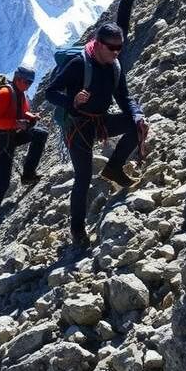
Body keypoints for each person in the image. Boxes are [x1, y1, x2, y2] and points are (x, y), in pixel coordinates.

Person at [45, 23, 149, 247]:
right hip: (78, 126)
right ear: (98, 44)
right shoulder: (79, 64)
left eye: (119, 47)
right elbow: (50, 93)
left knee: (134, 125)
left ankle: (113, 168)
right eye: (112, 47)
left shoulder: (115, 66)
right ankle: (78, 231)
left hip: (99, 121)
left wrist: (137, 114)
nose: (116, 52)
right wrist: (71, 102)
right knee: (83, 178)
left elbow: (123, 97)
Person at [0, 65, 48, 227]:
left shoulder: (19, 94)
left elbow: (21, 111)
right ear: (17, 78)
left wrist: (31, 116)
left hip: (10, 136)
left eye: (31, 82)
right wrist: (16, 123)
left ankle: (28, 174)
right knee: (3, 179)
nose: (28, 85)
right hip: (0, 141)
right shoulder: (5, 93)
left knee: (40, 133)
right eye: (26, 81)